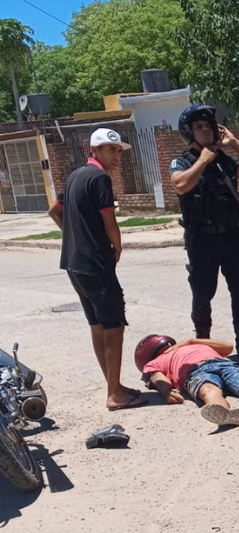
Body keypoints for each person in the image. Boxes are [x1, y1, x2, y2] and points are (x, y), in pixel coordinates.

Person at [47, 128, 145, 411]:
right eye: (111, 149)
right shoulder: (99, 177)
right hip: (96, 263)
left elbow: (55, 210)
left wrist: (74, 236)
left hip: (74, 264)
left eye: (118, 150)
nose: (116, 155)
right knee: (114, 326)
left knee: (98, 326)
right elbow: (108, 219)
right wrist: (117, 245)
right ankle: (114, 395)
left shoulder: (76, 175)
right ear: (95, 150)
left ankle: (113, 386)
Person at [170, 105, 239, 361]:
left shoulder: (225, 160)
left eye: (208, 126)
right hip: (201, 239)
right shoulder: (183, 161)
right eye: (199, 127)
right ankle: (203, 346)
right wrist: (203, 160)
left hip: (231, 236)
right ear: (188, 133)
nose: (206, 130)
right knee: (202, 293)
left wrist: (235, 143)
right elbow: (180, 185)